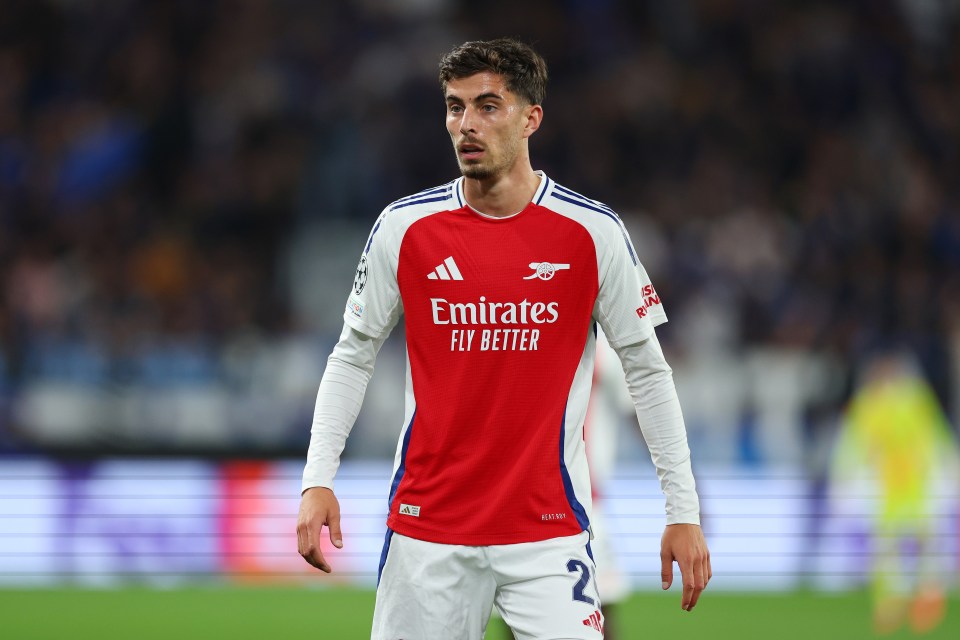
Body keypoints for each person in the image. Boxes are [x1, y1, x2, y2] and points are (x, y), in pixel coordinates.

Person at [296, 37, 710, 639]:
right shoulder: (405, 229)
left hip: (547, 534)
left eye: (488, 106)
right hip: (427, 530)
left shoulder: (591, 234)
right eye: (454, 107)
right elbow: (352, 355)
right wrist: (316, 479)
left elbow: (647, 371)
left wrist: (683, 511)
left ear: (530, 118)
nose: (466, 124)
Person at [831, 348, 959, 635]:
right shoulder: (872, 403)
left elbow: (935, 438)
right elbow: (854, 443)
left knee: (923, 542)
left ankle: (925, 597)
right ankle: (893, 602)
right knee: (889, 547)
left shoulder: (913, 400)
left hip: (916, 486)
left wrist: (950, 472)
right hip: (889, 488)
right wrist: (845, 478)